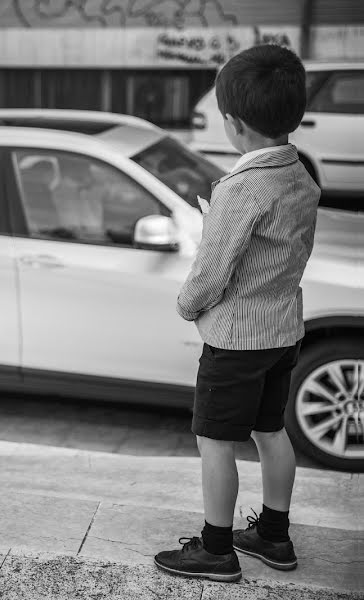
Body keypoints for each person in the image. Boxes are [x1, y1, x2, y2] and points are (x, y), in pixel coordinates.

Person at [154, 45, 320, 583]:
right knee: (271, 431)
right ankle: (274, 535)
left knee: (215, 442)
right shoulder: (300, 174)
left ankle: (216, 549)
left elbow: (210, 274)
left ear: (233, 123)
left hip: (236, 341)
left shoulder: (240, 189)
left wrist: (186, 306)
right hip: (283, 330)